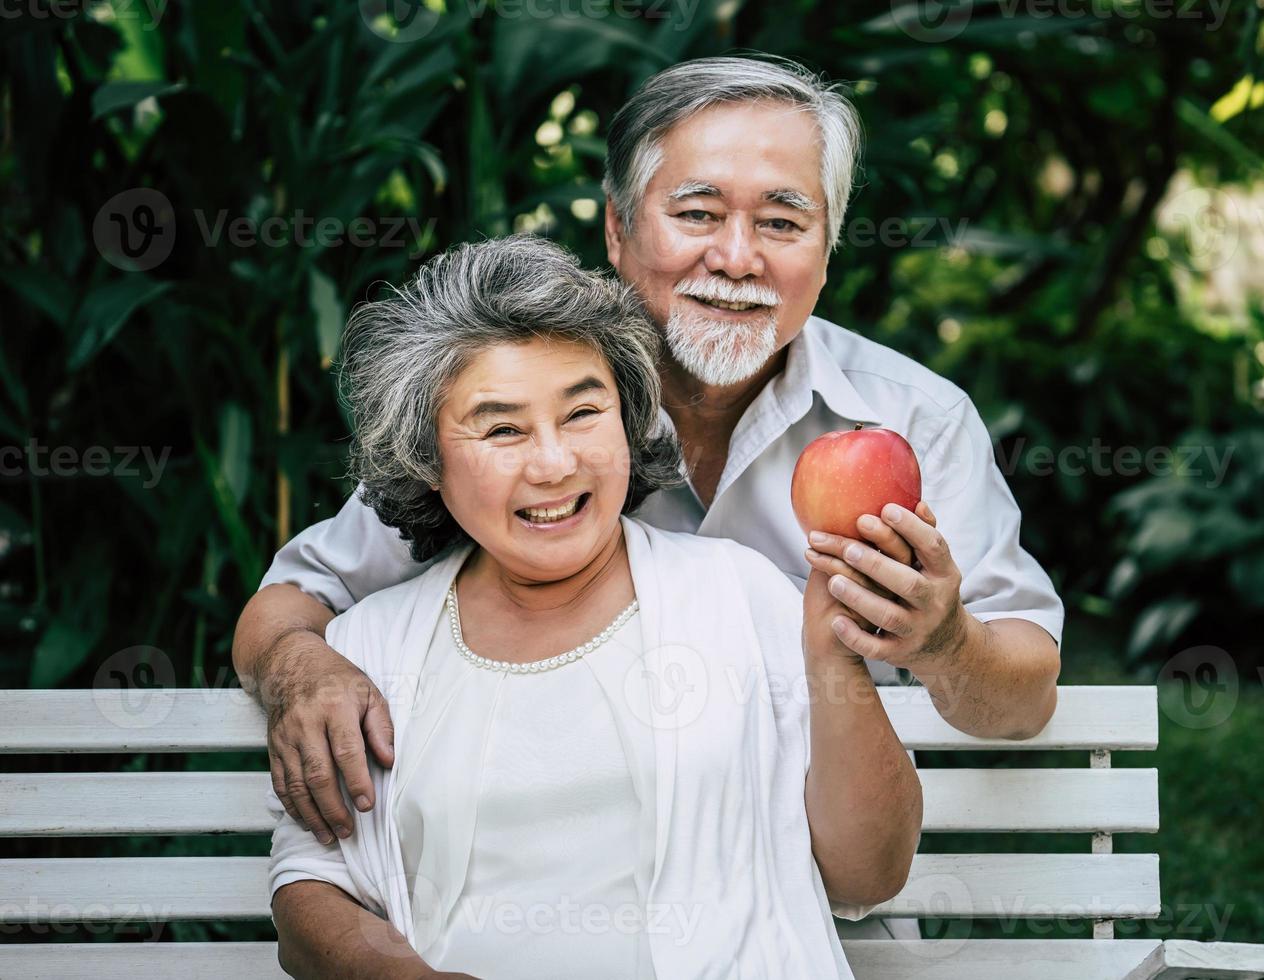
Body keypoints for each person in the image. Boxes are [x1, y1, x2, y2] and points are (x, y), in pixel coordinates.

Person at [235, 53, 1063, 943]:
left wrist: (944, 643)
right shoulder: (526, 401)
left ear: (828, 248)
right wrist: (303, 669)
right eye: (697, 213)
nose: (737, 258)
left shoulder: (914, 419)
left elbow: (1020, 697)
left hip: (814, 918)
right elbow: (295, 602)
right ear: (620, 231)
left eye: (783, 221)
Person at [267, 235, 920, 979]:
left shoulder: (743, 594)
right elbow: (308, 891)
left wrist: (834, 654)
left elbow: (871, 876)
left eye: (583, 412)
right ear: (427, 460)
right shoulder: (370, 648)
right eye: (502, 429)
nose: (554, 463)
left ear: (628, 418)